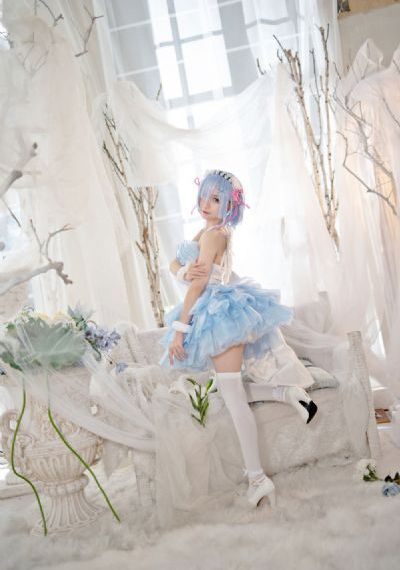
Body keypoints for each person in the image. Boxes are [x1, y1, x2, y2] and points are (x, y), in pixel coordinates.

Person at [159, 169, 318, 509]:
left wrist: (180, 331)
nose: (206, 203)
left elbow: (199, 285)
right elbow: (174, 263)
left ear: (230, 205)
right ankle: (286, 393)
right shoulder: (208, 229)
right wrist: (181, 269)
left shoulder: (215, 235)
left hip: (219, 312)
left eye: (216, 199)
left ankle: (257, 478)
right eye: (205, 196)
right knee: (226, 389)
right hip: (217, 309)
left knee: (232, 399)